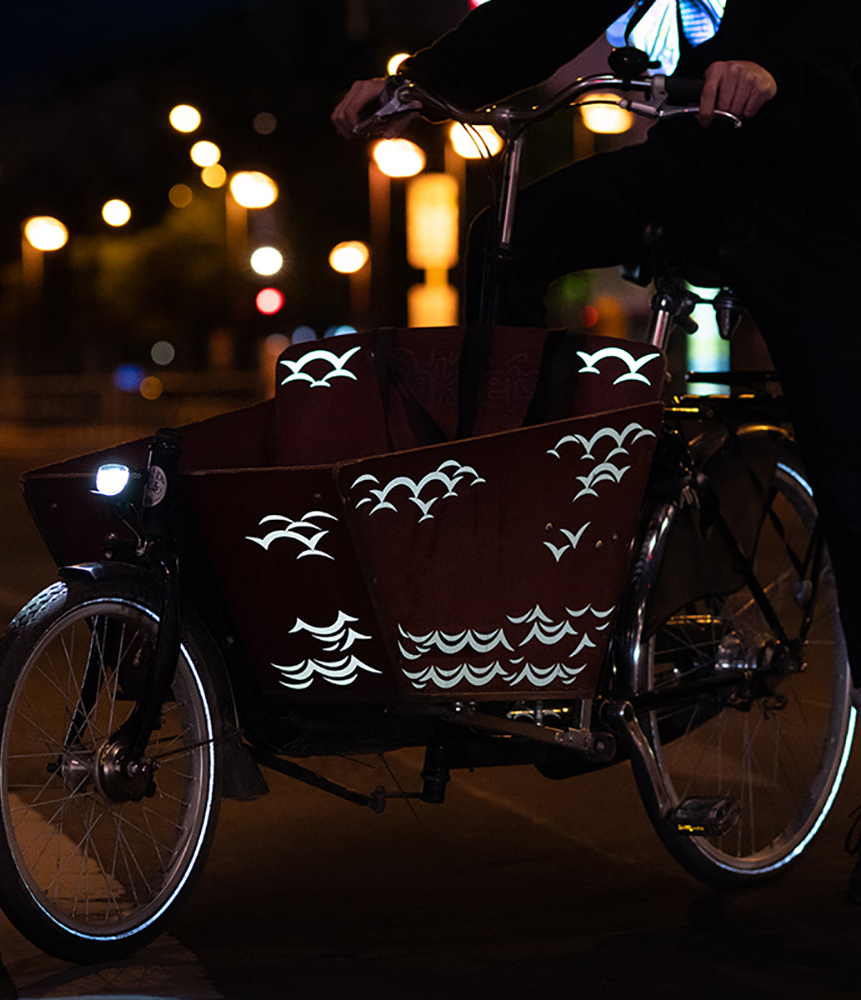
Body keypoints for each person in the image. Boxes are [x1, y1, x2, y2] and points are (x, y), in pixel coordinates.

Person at [333, 0, 861, 895]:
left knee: (847, 455)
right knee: (507, 242)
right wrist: (419, 83)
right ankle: (542, 513)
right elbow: (547, 10)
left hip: (819, 184)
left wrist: (779, 72)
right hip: (699, 166)